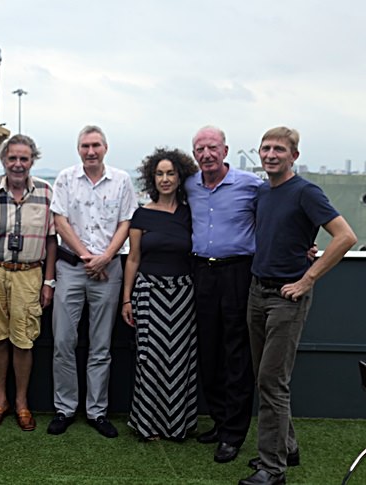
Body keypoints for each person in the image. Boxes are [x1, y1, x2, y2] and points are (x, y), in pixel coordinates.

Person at [239, 127, 356, 485]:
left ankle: (272, 470)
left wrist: (308, 278)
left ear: (294, 156)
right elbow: (282, 234)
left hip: (287, 298)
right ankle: (286, 447)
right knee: (265, 378)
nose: (271, 154)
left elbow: (346, 236)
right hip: (257, 292)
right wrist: (303, 250)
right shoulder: (263, 192)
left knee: (273, 381)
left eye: (279, 149)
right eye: (265, 148)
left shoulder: (306, 191)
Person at [48, 125, 136, 438]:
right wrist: (89, 258)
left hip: (109, 270)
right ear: (78, 149)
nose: (90, 151)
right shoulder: (65, 179)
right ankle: (65, 408)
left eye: (96, 145)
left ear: (106, 148)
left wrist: (105, 258)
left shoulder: (122, 181)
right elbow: (60, 221)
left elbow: (126, 222)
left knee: (101, 346)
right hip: (72, 268)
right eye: (85, 146)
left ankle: (97, 412)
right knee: (63, 343)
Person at [185, 126, 262, 463]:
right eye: (200, 149)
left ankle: (233, 434)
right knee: (209, 350)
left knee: (236, 354)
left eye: (212, 148)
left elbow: (276, 217)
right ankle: (218, 421)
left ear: (225, 150)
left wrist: (303, 245)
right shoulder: (190, 185)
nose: (206, 154)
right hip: (202, 273)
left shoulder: (250, 184)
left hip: (238, 272)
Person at [0, 134, 56, 432]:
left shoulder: (46, 192)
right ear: (3, 160)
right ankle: (0, 400)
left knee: (23, 340)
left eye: (24, 158)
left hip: (29, 274)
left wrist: (49, 281)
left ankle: (21, 403)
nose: (18, 164)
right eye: (12, 158)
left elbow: (51, 240)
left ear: (32, 161)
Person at [121, 148, 199, 441]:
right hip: (148, 293)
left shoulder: (191, 214)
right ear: (152, 178)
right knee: (149, 360)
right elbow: (133, 259)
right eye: (160, 174)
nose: (165, 179)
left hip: (183, 294)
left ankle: (178, 426)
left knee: (180, 361)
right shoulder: (141, 214)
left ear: (180, 177)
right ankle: (146, 425)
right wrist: (126, 299)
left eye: (171, 173)